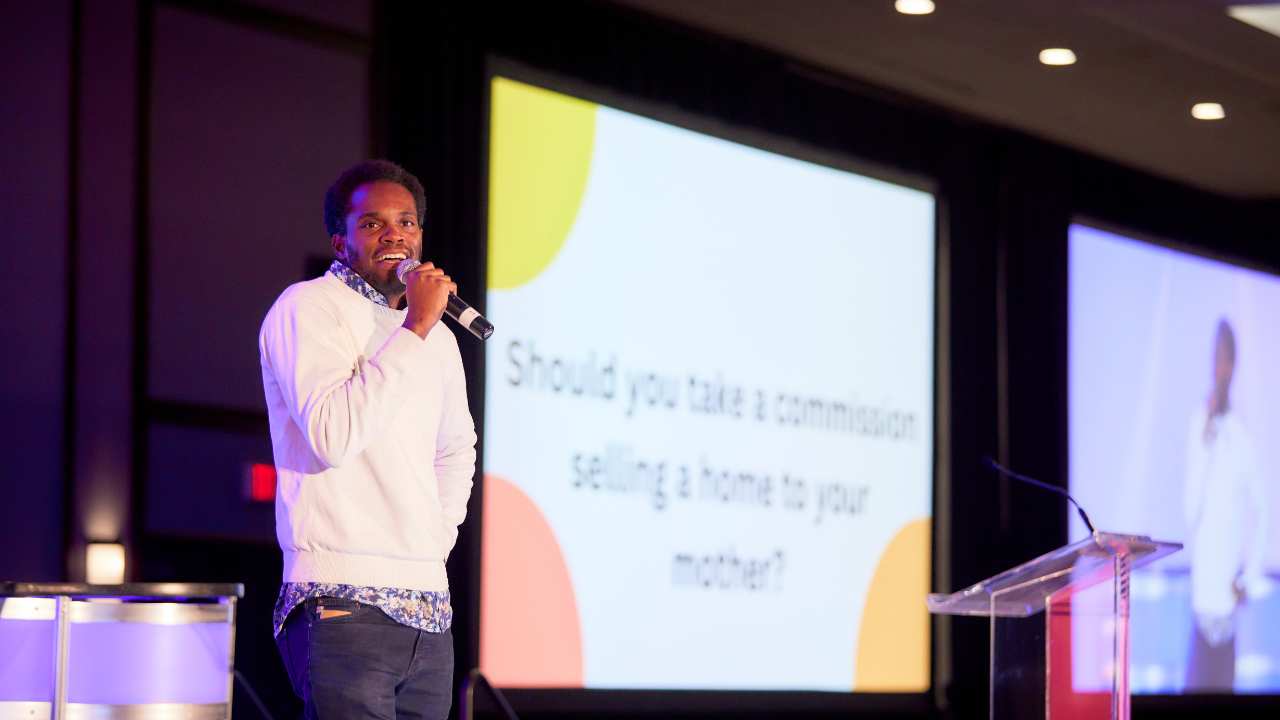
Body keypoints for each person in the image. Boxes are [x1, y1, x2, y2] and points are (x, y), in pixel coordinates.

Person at [259, 159, 477, 718]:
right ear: (340, 240)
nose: (395, 236)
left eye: (406, 222)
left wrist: (435, 539)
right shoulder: (307, 308)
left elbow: (455, 450)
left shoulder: (437, 340)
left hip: (429, 608)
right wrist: (414, 331)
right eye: (373, 224)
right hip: (342, 601)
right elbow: (332, 434)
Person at [1183, 318, 1268, 692]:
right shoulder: (1199, 426)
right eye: (1213, 357)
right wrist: (1204, 440)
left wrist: (1249, 577)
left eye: (1225, 357)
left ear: (1233, 364)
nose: (1219, 366)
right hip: (1200, 602)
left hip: (1227, 610)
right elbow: (1190, 511)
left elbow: (1263, 509)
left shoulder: (1242, 436)